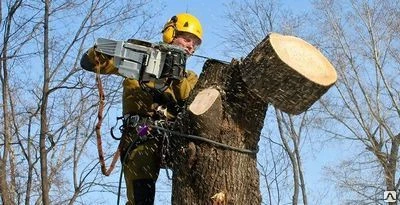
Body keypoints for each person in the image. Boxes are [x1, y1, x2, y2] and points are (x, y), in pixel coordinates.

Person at [80, 13, 203, 205]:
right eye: (187, 39)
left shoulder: (190, 78)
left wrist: (175, 74)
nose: (190, 46)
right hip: (144, 133)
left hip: (175, 138)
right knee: (141, 197)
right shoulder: (140, 62)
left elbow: (189, 99)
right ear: (170, 34)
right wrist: (117, 50)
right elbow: (91, 63)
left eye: (194, 44)